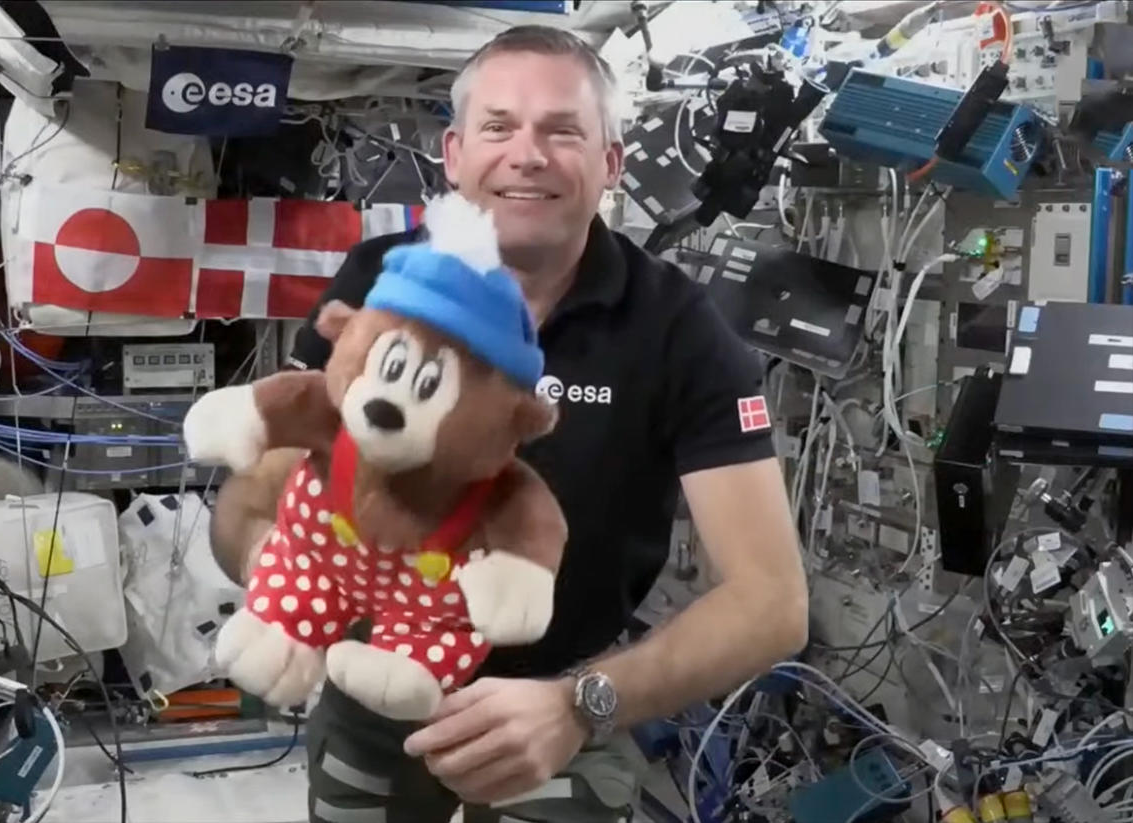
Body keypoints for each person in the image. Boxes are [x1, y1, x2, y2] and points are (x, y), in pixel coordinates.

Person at [209, 24, 807, 823]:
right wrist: (286, 584)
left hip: (565, 701)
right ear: (454, 155)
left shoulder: (675, 327)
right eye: (499, 126)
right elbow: (269, 489)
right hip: (372, 673)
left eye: (563, 130)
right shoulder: (381, 284)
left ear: (611, 164)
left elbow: (773, 602)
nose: (527, 154)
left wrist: (582, 703)